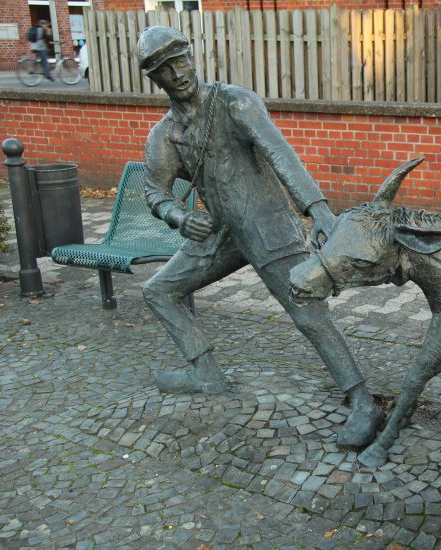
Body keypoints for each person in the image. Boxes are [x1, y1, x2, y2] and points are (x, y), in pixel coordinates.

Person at [136, 26, 383, 447]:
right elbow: (154, 191)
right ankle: (206, 373)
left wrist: (318, 210)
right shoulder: (165, 135)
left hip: (268, 228)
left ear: (192, 58)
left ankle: (363, 400)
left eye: (180, 61)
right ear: (154, 78)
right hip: (221, 234)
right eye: (165, 69)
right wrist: (179, 216)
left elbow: (279, 153)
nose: (178, 74)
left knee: (308, 313)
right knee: (159, 291)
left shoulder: (235, 102)